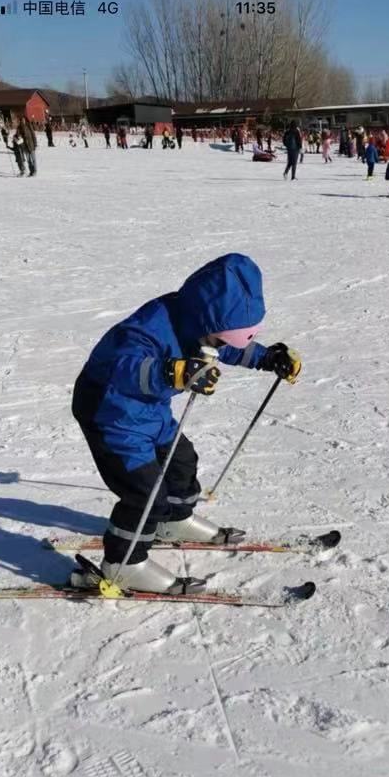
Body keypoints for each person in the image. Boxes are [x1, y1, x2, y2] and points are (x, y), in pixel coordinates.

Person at [71, 253, 301, 594]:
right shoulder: (149, 327)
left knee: (182, 461)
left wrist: (268, 358)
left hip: (149, 412)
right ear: (209, 323)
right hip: (110, 413)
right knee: (144, 493)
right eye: (222, 338)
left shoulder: (202, 325)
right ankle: (123, 563)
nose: (223, 345)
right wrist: (172, 372)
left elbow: (231, 349)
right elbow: (124, 367)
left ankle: (172, 521)